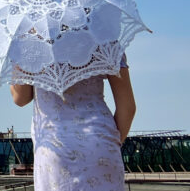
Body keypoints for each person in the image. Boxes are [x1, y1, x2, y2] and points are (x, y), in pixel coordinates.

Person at [11, 55, 135, 191]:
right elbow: (127, 107)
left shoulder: (31, 43)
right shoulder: (104, 38)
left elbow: (21, 98)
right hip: (101, 144)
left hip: (54, 147)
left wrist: (20, 57)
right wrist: (109, 143)